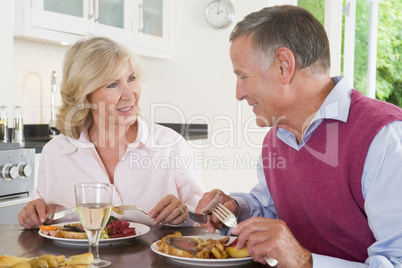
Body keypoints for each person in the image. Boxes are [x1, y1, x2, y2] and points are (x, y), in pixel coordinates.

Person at [196, 5, 402, 268]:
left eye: (243, 76)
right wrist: (235, 207)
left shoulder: (385, 139)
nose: (238, 93)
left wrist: (305, 261)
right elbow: (270, 206)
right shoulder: (277, 137)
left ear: (284, 66)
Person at [18, 36, 205, 229]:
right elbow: (37, 213)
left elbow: (202, 217)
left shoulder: (170, 144)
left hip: (153, 259)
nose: (130, 94)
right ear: (85, 95)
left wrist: (184, 213)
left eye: (131, 79)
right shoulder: (55, 153)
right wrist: (31, 215)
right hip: (78, 260)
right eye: (112, 84)